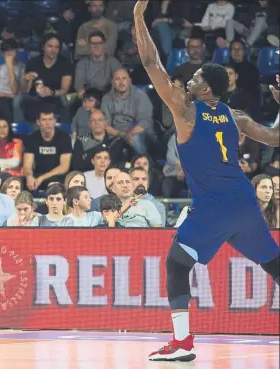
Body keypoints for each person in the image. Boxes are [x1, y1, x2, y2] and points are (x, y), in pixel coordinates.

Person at [134, 1, 280, 362]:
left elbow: (152, 64)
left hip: (214, 204)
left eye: (195, 78)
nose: (189, 81)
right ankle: (181, 343)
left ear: (205, 89)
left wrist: (138, 16)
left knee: (177, 264)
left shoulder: (185, 110)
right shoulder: (236, 116)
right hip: (244, 202)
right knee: (275, 264)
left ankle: (182, 343)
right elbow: (275, 138)